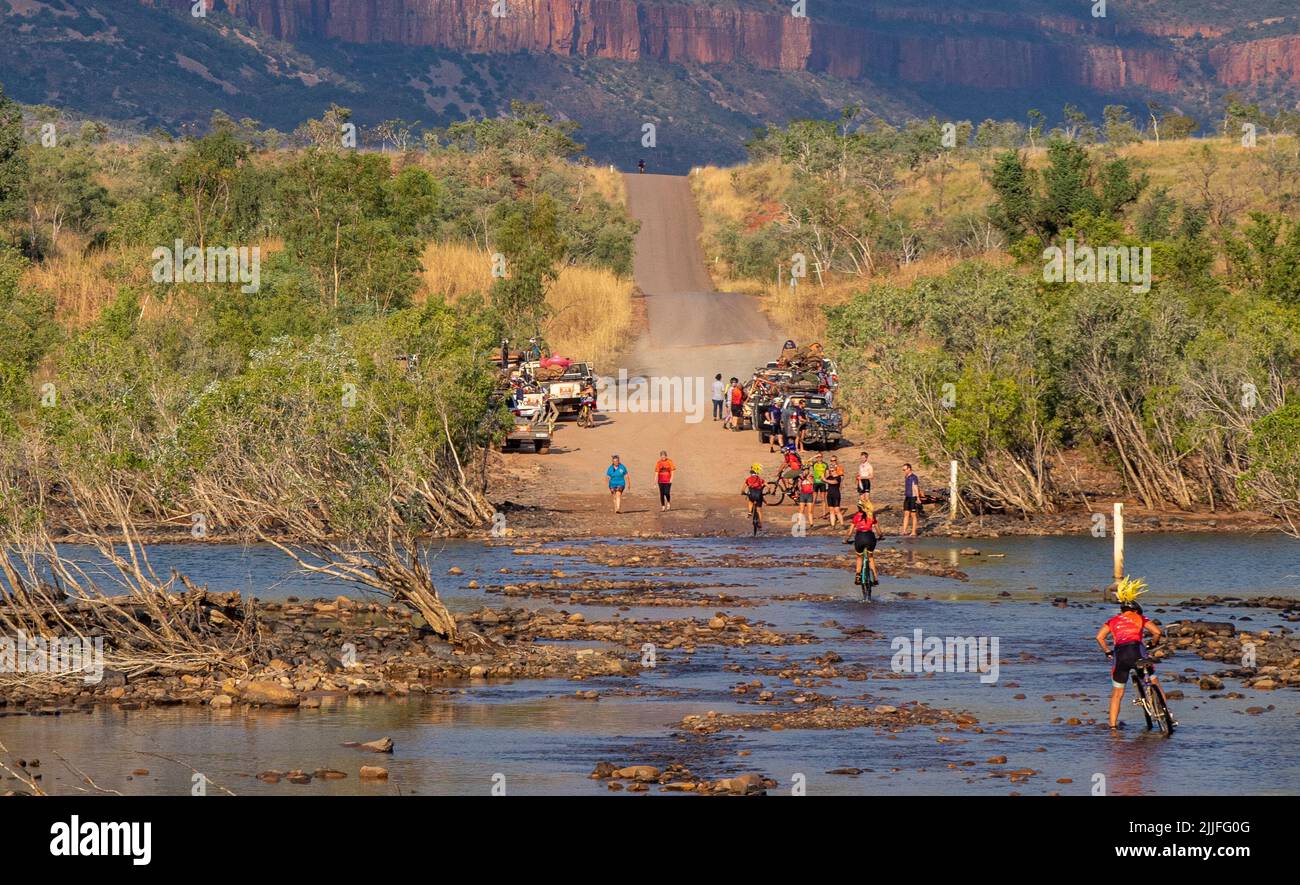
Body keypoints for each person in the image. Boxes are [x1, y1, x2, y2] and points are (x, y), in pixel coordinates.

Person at [1095, 577, 1168, 730]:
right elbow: (1157, 632)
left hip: (1120, 655)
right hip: (1137, 652)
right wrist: (1152, 643)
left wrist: (1108, 651)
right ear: (1135, 610)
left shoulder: (1112, 621)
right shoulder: (1140, 618)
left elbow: (1099, 637)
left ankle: (1113, 727)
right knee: (1154, 682)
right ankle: (1166, 713)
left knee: (1117, 694)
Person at [844, 498, 880, 598]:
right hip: (870, 537)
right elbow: (878, 530)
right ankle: (875, 578)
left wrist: (846, 540)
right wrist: (881, 536)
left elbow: (850, 532)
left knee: (859, 557)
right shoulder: (871, 515)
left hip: (859, 538)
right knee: (871, 557)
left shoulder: (855, 517)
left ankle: (858, 576)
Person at [742, 463, 766, 530]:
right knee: (759, 510)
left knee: (750, 501)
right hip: (758, 495)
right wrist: (769, 491)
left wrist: (743, 492)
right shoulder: (760, 479)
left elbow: (743, 489)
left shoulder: (748, 479)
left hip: (751, 495)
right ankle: (760, 525)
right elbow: (768, 486)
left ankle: (750, 512)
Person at [901, 463, 922, 537]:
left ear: (909, 469)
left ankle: (913, 532)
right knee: (906, 514)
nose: (904, 471)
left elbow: (915, 487)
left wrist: (918, 498)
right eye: (903, 470)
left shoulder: (914, 477)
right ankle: (904, 530)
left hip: (913, 497)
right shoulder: (906, 476)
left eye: (905, 469)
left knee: (913, 515)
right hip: (907, 497)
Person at [825, 455, 844, 525]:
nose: (833, 462)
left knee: (837, 510)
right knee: (831, 510)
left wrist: (841, 485)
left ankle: (842, 524)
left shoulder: (839, 470)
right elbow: (825, 478)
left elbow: (839, 479)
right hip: (830, 493)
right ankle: (833, 525)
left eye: (834, 460)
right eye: (831, 461)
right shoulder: (829, 473)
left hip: (836, 491)